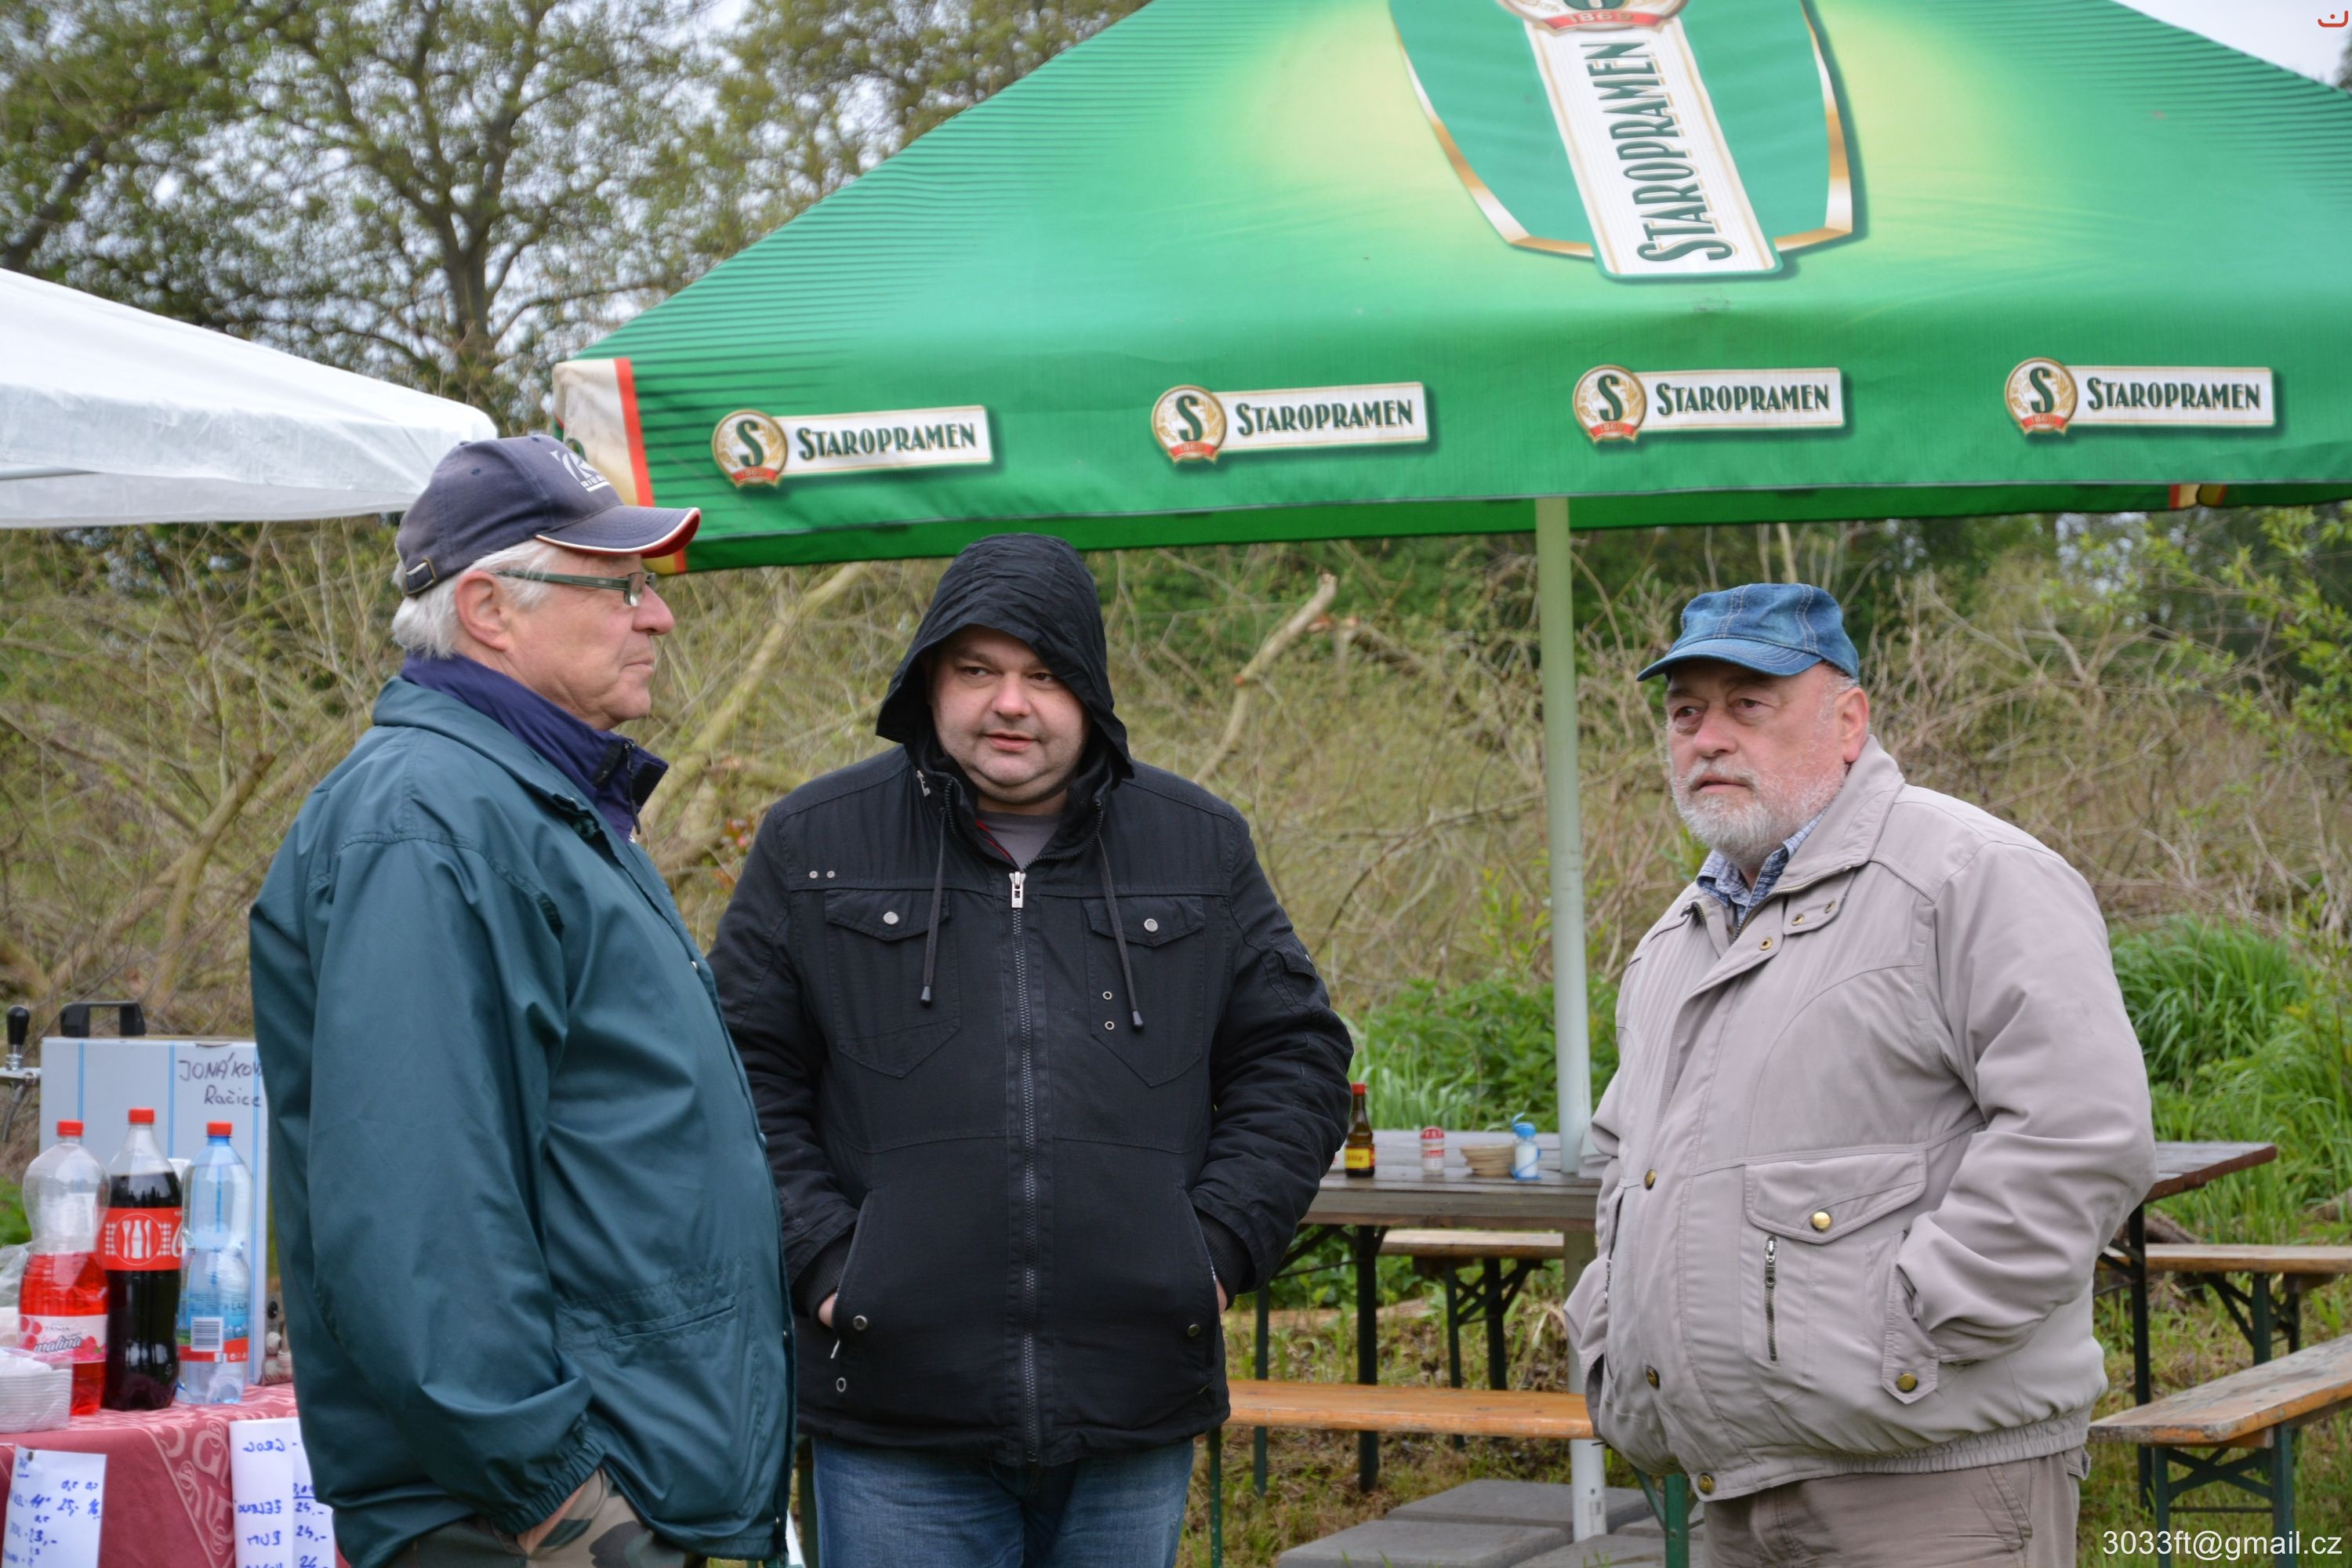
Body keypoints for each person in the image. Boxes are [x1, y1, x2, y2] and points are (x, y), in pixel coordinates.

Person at [710, 532, 1353, 1568]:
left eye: (1044, 675)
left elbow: (1296, 1055)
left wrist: (1216, 1247)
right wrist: (828, 1261)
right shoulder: (813, 842)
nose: (1010, 704)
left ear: (1090, 692)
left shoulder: (1198, 844)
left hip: (1131, 1401)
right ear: (929, 682)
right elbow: (738, 1073)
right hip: (895, 1414)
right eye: (978, 670)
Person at [250, 435, 793, 1568]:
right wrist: (570, 1508)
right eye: (621, 586)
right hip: (529, 1523)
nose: (659, 617)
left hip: (616, 1492)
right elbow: (417, 1217)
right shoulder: (429, 825)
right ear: (490, 609)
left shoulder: (532, 805)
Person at [1564, 583, 2154, 1566]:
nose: (1708, 737)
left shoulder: (1971, 874)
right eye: (1686, 711)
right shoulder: (1675, 939)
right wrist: (1613, 1344)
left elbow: (2082, 1130)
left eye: (1749, 703)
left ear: (1849, 720)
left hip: (1935, 1488)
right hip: (1731, 1494)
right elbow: (1628, 1165)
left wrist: (1911, 1326)